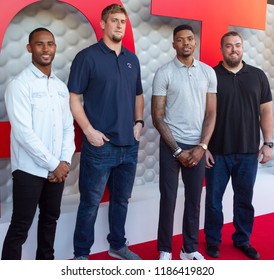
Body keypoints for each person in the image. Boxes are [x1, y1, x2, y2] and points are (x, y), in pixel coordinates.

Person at [68, 4, 144, 260]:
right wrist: (88, 131)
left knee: (121, 201)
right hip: (100, 146)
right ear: (103, 24)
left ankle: (117, 245)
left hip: (129, 146)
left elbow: (138, 95)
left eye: (123, 21)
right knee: (89, 203)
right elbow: (74, 98)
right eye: (114, 20)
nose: (120, 25)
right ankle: (81, 254)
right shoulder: (87, 57)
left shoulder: (132, 59)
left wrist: (139, 123)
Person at [2, 28, 75, 260]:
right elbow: (24, 133)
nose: (46, 49)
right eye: (40, 44)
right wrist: (54, 164)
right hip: (29, 170)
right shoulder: (19, 85)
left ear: (55, 48)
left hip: (56, 171)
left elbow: (67, 128)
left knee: (49, 221)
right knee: (20, 228)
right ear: (29, 48)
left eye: (50, 44)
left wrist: (64, 161)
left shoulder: (60, 87)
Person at [204, 31, 273, 260]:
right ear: (221, 49)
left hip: (248, 152)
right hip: (217, 152)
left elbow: (266, 111)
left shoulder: (257, 75)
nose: (234, 49)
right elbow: (201, 114)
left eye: (237, 45)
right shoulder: (210, 76)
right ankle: (213, 241)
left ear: (242, 48)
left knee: (244, 200)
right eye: (228, 46)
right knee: (213, 201)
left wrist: (269, 143)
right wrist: (203, 147)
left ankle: (242, 240)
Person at [151, 24, 217, 260]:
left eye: (190, 39)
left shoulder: (208, 72)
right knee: (167, 198)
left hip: (197, 146)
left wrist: (202, 147)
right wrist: (177, 150)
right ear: (174, 44)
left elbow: (211, 113)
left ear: (195, 42)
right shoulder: (164, 72)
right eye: (180, 40)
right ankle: (165, 249)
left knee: (194, 199)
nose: (186, 43)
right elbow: (157, 117)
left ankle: (189, 249)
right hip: (171, 145)